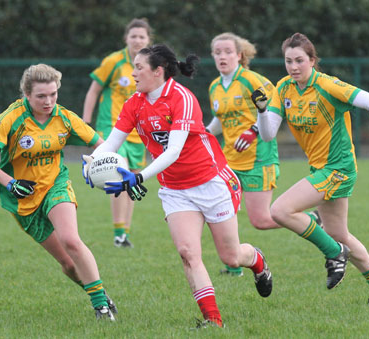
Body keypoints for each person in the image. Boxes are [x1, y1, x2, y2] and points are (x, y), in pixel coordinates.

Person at [82, 44, 273, 328]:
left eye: (139, 68)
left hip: (211, 182)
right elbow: (111, 142)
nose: (133, 73)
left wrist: (137, 176)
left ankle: (257, 261)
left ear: (158, 71)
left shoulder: (181, 98)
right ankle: (213, 321)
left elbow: (172, 151)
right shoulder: (135, 102)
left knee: (231, 258)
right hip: (175, 189)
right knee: (187, 252)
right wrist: (91, 163)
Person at [252, 32, 369, 304]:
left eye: (299, 60)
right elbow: (268, 135)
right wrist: (262, 111)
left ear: (312, 60)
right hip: (320, 169)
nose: (294, 66)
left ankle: (334, 253)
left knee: (280, 210)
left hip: (338, 169)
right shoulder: (283, 88)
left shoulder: (327, 85)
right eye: (288, 61)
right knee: (339, 234)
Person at [0, 64, 117, 320]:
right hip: (22, 199)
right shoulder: (10, 118)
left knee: (71, 240)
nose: (49, 101)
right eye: (41, 96)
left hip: (55, 185)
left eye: (53, 94)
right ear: (27, 95)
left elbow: (102, 145)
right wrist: (11, 183)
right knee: (68, 264)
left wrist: (98, 164)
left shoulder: (64, 117)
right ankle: (99, 293)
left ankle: (101, 308)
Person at [206, 32, 280, 277]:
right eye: (217, 52)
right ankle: (233, 264)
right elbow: (221, 118)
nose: (222, 56)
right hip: (228, 161)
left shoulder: (251, 80)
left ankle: (310, 218)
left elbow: (275, 109)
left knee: (261, 220)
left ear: (239, 55)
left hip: (259, 158)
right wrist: (204, 133)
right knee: (221, 211)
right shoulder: (215, 87)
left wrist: (254, 130)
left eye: (227, 51)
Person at [82, 18, 153, 248]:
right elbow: (93, 90)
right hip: (112, 128)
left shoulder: (151, 65)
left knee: (132, 180)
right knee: (118, 176)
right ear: (126, 39)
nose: (137, 40)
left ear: (148, 40)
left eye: (142, 36)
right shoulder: (113, 61)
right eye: (133, 36)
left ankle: (124, 234)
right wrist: (85, 122)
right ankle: (118, 232)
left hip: (138, 133)